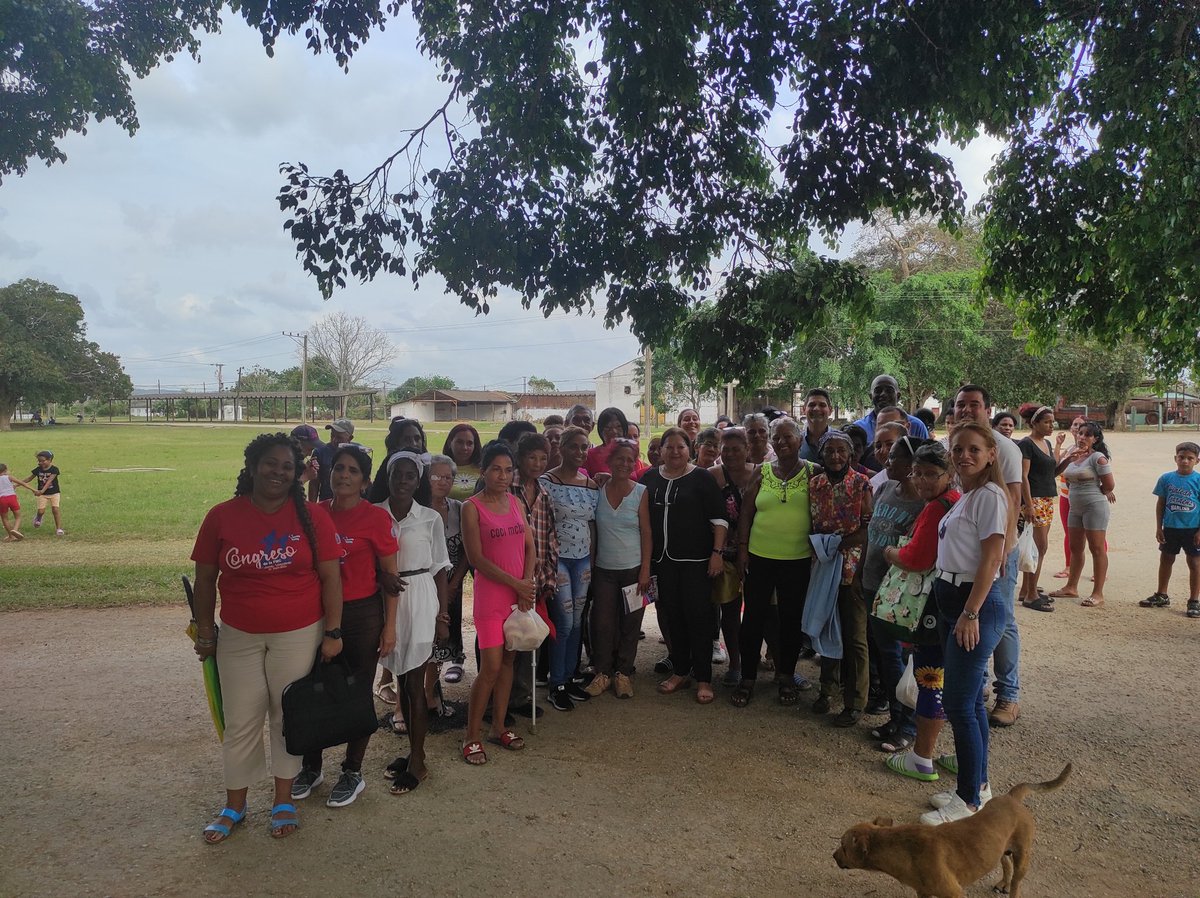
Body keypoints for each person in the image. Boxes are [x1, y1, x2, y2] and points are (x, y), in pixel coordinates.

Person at [191, 433, 343, 842]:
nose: (278, 472)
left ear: (297, 474)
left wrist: (333, 631)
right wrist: (206, 630)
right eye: (270, 464)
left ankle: (283, 800)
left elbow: (331, 577)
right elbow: (205, 579)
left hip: (298, 632)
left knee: (285, 716)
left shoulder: (313, 517)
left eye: (287, 467)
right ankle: (234, 806)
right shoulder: (222, 516)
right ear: (253, 466)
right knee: (241, 719)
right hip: (239, 634)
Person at [291, 444, 400, 807]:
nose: (344, 476)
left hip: (362, 615)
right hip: (315, 613)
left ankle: (352, 770)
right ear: (329, 473)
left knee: (354, 691)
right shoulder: (314, 514)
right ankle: (311, 765)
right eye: (339, 468)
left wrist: (389, 627)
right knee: (313, 688)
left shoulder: (376, 520)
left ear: (366, 482)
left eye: (354, 471)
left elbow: (390, 577)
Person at [918, 421, 1012, 825]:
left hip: (974, 603)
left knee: (958, 702)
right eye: (958, 449)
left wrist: (971, 613)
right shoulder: (969, 496)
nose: (964, 456)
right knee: (970, 699)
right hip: (953, 599)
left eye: (974, 449)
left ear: (991, 454)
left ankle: (969, 798)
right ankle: (980, 786)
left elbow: (992, 559)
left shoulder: (990, 495)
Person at [881, 441, 961, 784]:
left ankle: (921, 757)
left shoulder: (935, 509)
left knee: (930, 679)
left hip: (931, 607)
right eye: (918, 473)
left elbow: (917, 559)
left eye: (931, 474)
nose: (923, 481)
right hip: (955, 602)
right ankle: (957, 753)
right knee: (954, 682)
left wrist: (890, 553)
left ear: (949, 474)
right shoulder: (957, 501)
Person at [374, 450, 451, 793]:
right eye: (397, 475)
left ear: (417, 479)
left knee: (415, 680)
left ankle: (418, 760)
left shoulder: (429, 518)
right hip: (384, 599)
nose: (403, 481)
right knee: (402, 677)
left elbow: (439, 568)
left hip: (419, 597)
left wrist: (442, 615)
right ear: (388, 478)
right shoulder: (374, 515)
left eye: (409, 476)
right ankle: (410, 752)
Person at [732, 418, 819, 707]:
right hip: (759, 556)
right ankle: (747, 678)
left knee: (790, 622)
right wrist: (743, 549)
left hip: (797, 559)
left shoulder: (812, 472)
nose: (782, 442)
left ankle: (786, 676)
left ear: (799, 439)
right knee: (753, 618)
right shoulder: (761, 472)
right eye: (776, 437)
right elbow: (745, 513)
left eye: (788, 437)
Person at [951, 385, 1023, 729]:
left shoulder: (1003, 447)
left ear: (988, 408)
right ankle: (976, 689)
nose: (966, 409)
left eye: (973, 404)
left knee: (1001, 619)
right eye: (960, 404)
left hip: (997, 548)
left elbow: (1013, 500)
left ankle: (1008, 694)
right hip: (969, 548)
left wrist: (1003, 552)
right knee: (973, 626)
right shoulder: (955, 444)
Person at [460, 442, 537, 765]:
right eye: (496, 469)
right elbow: (476, 558)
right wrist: (516, 583)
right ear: (484, 471)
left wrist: (527, 584)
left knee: (508, 662)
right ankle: (471, 735)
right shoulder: (471, 507)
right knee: (490, 666)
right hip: (491, 597)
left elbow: (530, 546)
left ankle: (498, 726)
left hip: (516, 596)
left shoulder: (516, 501)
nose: (503, 476)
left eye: (508, 470)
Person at [642, 427, 728, 704]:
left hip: (696, 562)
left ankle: (703, 677)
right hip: (662, 563)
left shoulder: (701, 478)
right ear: (661, 450)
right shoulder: (650, 478)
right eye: (669, 447)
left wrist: (717, 552)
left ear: (689, 449)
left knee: (699, 618)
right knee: (671, 616)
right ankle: (680, 671)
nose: (675, 452)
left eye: (680, 447)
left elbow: (720, 519)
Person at [861, 437, 928, 749]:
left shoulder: (922, 504)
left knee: (901, 657)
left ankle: (909, 724)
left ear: (912, 465)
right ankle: (895, 715)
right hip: (872, 583)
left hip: (899, 594)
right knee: (885, 655)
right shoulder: (886, 489)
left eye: (894, 458)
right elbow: (872, 533)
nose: (886, 462)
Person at [809, 430, 874, 727]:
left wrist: (837, 545)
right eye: (830, 451)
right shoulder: (815, 484)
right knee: (825, 628)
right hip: (823, 567)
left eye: (841, 451)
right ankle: (827, 690)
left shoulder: (861, 484)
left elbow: (867, 529)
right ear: (822, 454)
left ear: (851, 455)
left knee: (855, 636)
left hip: (852, 570)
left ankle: (856, 701)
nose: (835, 456)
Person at [586, 439, 652, 698]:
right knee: (602, 623)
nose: (624, 464)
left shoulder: (640, 492)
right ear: (610, 461)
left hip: (633, 569)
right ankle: (602, 672)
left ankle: (623, 673)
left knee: (631, 624)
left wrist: (645, 568)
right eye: (619, 459)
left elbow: (646, 532)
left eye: (630, 459)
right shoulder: (597, 488)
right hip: (604, 570)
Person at [541, 426, 599, 711]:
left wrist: (594, 559)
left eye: (584, 447)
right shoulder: (547, 482)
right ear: (561, 448)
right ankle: (556, 683)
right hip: (558, 560)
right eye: (574, 446)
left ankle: (570, 675)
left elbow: (592, 525)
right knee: (563, 622)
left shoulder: (591, 486)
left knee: (578, 620)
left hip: (583, 560)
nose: (580, 452)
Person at [510, 432, 559, 715]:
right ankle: (499, 698)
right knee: (506, 638)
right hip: (510, 577)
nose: (538, 463)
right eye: (532, 457)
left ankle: (523, 697)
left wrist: (549, 579)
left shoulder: (544, 492)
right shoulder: (507, 489)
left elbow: (551, 538)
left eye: (543, 458)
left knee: (530, 637)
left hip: (537, 579)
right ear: (520, 457)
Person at [1050, 422, 1115, 608]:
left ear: (1095, 439)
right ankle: (1071, 586)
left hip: (1094, 506)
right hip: (1074, 506)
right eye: (1080, 433)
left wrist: (1091, 494)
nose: (1082, 437)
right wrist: (1068, 458)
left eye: (1087, 435)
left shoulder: (1098, 458)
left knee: (1096, 548)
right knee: (1075, 547)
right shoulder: (1072, 453)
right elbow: (1060, 474)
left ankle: (1098, 593)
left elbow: (1109, 486)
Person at [709, 427, 754, 687]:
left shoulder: (759, 473)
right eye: (726, 449)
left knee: (762, 612)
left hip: (757, 552)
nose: (731, 454)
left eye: (737, 448)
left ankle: (766, 661)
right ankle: (735, 664)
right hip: (724, 554)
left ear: (747, 450)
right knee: (729, 611)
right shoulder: (712, 476)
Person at [1142, 442, 1200, 616]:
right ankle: (1162, 594)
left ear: (1197, 460)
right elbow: (1161, 503)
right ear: (1175, 458)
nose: (1185, 461)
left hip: (1192, 529)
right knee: (1166, 559)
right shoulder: (1166, 479)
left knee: (1195, 563)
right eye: (1181, 457)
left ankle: (1194, 601)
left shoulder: (1198, 480)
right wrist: (1159, 527)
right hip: (1171, 528)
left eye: (1190, 458)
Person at [429, 454, 468, 683]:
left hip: (453, 581)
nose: (442, 481)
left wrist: (454, 584)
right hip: (426, 583)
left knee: (447, 626)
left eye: (448, 477)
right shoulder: (419, 509)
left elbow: (467, 551)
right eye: (436, 476)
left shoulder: (459, 508)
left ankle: (434, 687)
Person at [1017, 406, 1058, 611]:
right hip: (1035, 500)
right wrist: (1029, 504)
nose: (1051, 425)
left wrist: (1068, 457)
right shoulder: (1027, 444)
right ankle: (1031, 595)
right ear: (1034, 423)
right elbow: (1024, 476)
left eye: (1052, 422)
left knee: (1038, 547)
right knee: (1038, 548)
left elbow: (1052, 471)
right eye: (1047, 422)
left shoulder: (1047, 443)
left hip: (1047, 498)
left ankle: (1027, 589)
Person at [1053, 415, 1088, 578]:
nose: (1076, 428)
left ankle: (1097, 569)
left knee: (1093, 532)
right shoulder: (1069, 449)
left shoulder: (1093, 451)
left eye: (1081, 426)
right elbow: (1055, 466)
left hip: (1083, 497)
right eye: (1074, 425)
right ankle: (1068, 566)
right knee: (1069, 532)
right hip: (1066, 496)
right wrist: (1058, 445)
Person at [852, 375, 930, 443]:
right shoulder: (859, 427)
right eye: (878, 391)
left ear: (898, 396)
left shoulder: (917, 426)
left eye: (889, 390)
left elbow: (925, 456)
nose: (883, 394)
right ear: (870, 397)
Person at [586, 407, 648, 479]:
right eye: (608, 427)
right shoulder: (590, 456)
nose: (614, 431)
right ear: (601, 431)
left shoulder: (632, 454)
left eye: (618, 426)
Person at [310, 418, 355, 501]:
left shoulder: (358, 452)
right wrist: (312, 507)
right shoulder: (320, 452)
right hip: (326, 504)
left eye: (339, 437)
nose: (334, 440)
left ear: (350, 438)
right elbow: (314, 482)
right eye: (332, 435)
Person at [21, 450, 64, 535]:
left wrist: (41, 491)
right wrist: (17, 484)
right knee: (41, 511)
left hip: (54, 493)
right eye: (39, 461)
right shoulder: (38, 470)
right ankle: (38, 517)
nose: (41, 463)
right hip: (43, 495)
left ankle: (58, 529)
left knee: (55, 509)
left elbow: (49, 482)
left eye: (43, 461)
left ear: (50, 460)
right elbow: (29, 478)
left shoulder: (54, 470)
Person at [442, 423, 483, 501]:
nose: (464, 447)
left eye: (469, 443)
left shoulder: (483, 469)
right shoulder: (439, 469)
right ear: (450, 443)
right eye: (459, 442)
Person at [800, 388, 834, 461]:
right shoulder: (795, 441)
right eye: (812, 405)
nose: (816, 409)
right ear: (804, 410)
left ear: (830, 410)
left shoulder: (841, 440)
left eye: (822, 405)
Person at [0, 462, 31, 540]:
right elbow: (23, 483)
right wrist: (34, 490)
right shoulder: (9, 477)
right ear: (6, 470)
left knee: (4, 518)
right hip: (12, 497)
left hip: (2, 499)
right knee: (18, 516)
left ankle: (11, 536)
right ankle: (15, 530)